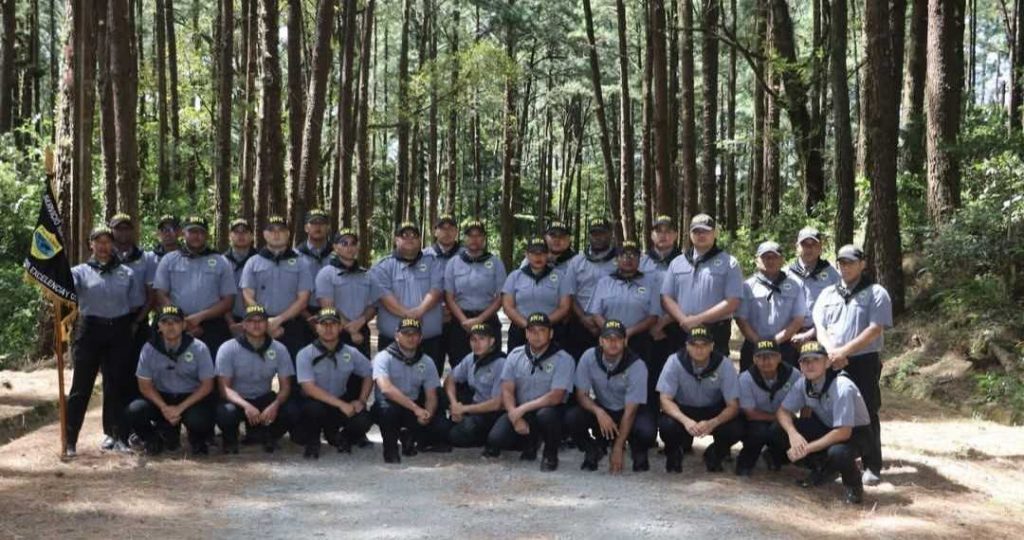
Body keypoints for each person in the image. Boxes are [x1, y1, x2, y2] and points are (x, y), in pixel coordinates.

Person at [812, 244, 893, 486]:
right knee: (829, 410)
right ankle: (832, 464)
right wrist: (831, 351)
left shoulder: (877, 293)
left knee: (867, 410)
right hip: (831, 358)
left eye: (850, 262)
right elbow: (820, 326)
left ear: (862, 264)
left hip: (863, 360)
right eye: (842, 263)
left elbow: (875, 329)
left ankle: (872, 465)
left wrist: (844, 352)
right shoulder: (828, 293)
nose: (845, 267)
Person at [65, 226, 142, 456]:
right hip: (90, 330)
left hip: (118, 330)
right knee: (81, 386)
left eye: (107, 241)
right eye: (98, 241)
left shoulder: (126, 273)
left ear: (113, 245)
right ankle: (70, 439)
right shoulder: (79, 272)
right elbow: (64, 291)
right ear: (91, 245)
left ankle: (116, 436)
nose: (103, 246)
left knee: (116, 385)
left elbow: (134, 304)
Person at [769, 341, 874, 504]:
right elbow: (782, 412)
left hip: (856, 433)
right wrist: (793, 434)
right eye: (805, 361)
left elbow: (843, 432)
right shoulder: (803, 383)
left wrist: (806, 448)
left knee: (839, 453)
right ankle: (821, 468)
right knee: (777, 429)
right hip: (827, 426)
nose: (810, 365)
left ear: (827, 363)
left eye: (816, 360)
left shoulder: (842, 386)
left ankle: (853, 484)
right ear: (800, 366)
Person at [486, 313, 575, 472]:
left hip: (550, 410)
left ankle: (550, 454)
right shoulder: (515, 355)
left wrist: (521, 409)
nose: (537, 335)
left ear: (551, 334)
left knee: (546, 415)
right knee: (496, 439)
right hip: (522, 410)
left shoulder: (564, 359)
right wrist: (514, 416)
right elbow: (507, 390)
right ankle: (530, 442)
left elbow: (556, 396)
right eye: (532, 331)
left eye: (542, 331)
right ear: (526, 334)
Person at [124, 305, 216, 456]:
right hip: (162, 398)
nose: (170, 326)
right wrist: (164, 407)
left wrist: (179, 408)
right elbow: (144, 386)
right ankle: (152, 439)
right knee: (135, 410)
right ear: (159, 326)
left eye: (175, 322)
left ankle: (197, 439)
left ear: (184, 325)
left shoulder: (198, 348)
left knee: (200, 419)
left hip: (190, 399)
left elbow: (207, 385)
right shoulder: (149, 349)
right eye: (165, 322)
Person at [566, 320, 655, 473]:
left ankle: (636, 448)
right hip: (603, 407)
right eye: (608, 339)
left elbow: (631, 411)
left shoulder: (637, 365)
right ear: (601, 341)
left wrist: (618, 447)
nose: (613, 343)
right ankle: (592, 448)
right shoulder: (589, 357)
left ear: (625, 341)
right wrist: (599, 412)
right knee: (572, 417)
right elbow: (581, 395)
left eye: (618, 339)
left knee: (647, 431)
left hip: (628, 410)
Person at [657, 325, 743, 473]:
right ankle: (674, 453)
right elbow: (665, 400)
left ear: (712, 346)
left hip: (713, 410)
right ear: (687, 346)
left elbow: (733, 405)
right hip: (684, 410)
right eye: (694, 345)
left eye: (704, 345)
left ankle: (715, 453)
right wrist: (686, 421)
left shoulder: (724, 364)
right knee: (667, 425)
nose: (699, 349)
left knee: (737, 427)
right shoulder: (674, 361)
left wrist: (713, 422)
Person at [587, 240, 661, 405]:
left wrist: (629, 332)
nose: (628, 259)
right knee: (608, 380)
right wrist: (612, 333)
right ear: (617, 259)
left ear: (639, 259)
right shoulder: (604, 282)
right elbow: (595, 313)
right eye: (624, 255)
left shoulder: (651, 283)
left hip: (639, 341)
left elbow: (653, 316)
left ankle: (639, 414)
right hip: (609, 341)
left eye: (633, 255)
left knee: (639, 382)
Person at [294, 308, 374, 459]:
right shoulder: (305, 354)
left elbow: (369, 373)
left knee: (364, 419)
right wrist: (341, 404)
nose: (328, 328)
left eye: (333, 324)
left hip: (339, 402)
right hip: (315, 404)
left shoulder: (350, 352)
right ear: (316, 327)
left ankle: (343, 437)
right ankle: (313, 442)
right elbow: (309, 388)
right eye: (324, 324)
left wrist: (362, 400)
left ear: (340, 327)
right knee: (310, 415)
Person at [214, 304, 294, 454]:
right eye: (251, 321)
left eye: (260, 321)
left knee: (290, 410)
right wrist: (246, 406)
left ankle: (268, 435)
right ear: (243, 325)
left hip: (264, 398)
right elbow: (224, 389)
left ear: (267, 324)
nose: (256, 325)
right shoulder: (228, 348)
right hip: (238, 400)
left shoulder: (279, 349)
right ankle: (230, 439)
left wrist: (275, 405)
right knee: (226, 412)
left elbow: (286, 387)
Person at [660, 213, 743, 357]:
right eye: (696, 231)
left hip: (715, 331)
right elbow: (666, 297)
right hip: (682, 330)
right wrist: (684, 320)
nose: (701, 235)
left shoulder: (729, 263)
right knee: (680, 368)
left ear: (714, 233)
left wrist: (698, 319)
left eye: (705, 231)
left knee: (715, 369)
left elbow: (733, 301)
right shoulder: (677, 262)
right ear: (690, 234)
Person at [153, 215, 236, 357]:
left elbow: (229, 300)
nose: (196, 236)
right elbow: (160, 294)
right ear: (183, 233)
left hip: (212, 325)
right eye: (192, 231)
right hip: (175, 324)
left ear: (207, 236)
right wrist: (182, 319)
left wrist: (200, 317)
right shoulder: (169, 260)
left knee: (212, 367)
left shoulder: (221, 261)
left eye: (201, 232)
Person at [371, 318, 451, 463]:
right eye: (406, 333)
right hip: (389, 406)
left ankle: (411, 438)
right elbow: (386, 389)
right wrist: (416, 409)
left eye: (415, 334)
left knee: (442, 426)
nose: (410, 337)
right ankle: (390, 450)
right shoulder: (383, 357)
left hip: (412, 408)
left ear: (420, 338)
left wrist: (427, 414)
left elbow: (431, 396)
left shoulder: (426, 361)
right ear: (397, 335)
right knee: (387, 410)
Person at [371, 222, 446, 375]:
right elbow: (386, 298)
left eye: (414, 235)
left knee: (430, 384)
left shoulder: (433, 263)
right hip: (392, 341)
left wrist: (419, 311)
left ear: (420, 240)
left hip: (429, 341)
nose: (409, 238)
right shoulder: (383, 266)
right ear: (396, 240)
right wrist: (410, 315)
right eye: (404, 235)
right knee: (391, 382)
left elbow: (436, 291)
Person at [239, 215, 315, 358]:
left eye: (281, 230)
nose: (276, 234)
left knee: (293, 369)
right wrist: (265, 322)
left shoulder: (300, 263)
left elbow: (303, 299)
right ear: (264, 234)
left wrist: (278, 320)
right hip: (258, 326)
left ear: (288, 234)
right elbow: (247, 296)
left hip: (292, 327)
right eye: (272, 230)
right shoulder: (253, 262)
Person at [735, 241, 807, 371]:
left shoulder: (795, 286)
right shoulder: (747, 287)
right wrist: (759, 342)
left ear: (782, 260)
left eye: (774, 257)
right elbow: (741, 319)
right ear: (757, 260)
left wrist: (775, 341)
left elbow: (798, 319)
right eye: (765, 257)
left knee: (788, 382)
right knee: (749, 382)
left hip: (785, 347)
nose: (770, 261)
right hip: (753, 346)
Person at [443, 219, 506, 366]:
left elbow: (501, 297)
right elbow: (449, 297)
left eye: (478, 235)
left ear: (484, 239)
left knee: (490, 365)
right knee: (459, 364)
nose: (474, 239)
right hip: (460, 323)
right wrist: (464, 320)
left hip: (487, 319)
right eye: (470, 235)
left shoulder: (495, 263)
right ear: (464, 238)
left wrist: (480, 319)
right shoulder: (453, 263)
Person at [735, 339, 799, 476]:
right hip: (756, 420)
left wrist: (802, 421)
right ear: (754, 359)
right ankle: (745, 463)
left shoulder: (794, 375)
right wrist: (781, 418)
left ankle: (775, 457)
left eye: (771, 356)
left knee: (783, 430)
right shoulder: (745, 378)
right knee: (759, 431)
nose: (766, 361)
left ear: (779, 358)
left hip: (781, 422)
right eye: (761, 357)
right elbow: (750, 414)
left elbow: (806, 402)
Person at [314, 228, 380, 358]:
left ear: (357, 247)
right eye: (344, 243)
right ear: (335, 247)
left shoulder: (367, 275)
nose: (349, 247)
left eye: (353, 243)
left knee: (363, 370)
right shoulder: (326, 274)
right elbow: (327, 306)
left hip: (362, 331)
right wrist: (351, 330)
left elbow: (373, 305)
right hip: (335, 332)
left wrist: (360, 322)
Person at [501, 238, 572, 351]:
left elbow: (565, 306)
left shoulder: (560, 277)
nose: (538, 257)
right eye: (534, 253)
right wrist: (527, 325)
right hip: (520, 331)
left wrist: (543, 325)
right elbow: (508, 306)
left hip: (552, 331)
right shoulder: (515, 276)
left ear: (548, 255)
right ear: (527, 255)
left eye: (542, 253)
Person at [444, 324, 507, 450]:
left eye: (482, 339)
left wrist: (464, 409)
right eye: (473, 339)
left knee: (456, 435)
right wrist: (454, 404)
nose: (477, 343)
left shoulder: (500, 363)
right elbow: (449, 380)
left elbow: (498, 403)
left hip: (492, 413)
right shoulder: (471, 358)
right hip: (473, 406)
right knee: (440, 394)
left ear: (492, 341)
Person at [564, 218, 619, 359]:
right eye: (594, 234)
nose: (598, 238)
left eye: (602, 233)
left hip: (613, 322)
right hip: (581, 322)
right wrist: (583, 318)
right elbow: (569, 294)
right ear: (589, 235)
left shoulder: (620, 260)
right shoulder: (577, 261)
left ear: (610, 234)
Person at [640, 215, 684, 382]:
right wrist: (651, 325)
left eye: (668, 231)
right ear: (652, 235)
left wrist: (662, 323)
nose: (663, 235)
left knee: (672, 378)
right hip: (645, 328)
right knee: (646, 377)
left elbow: (687, 296)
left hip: (675, 328)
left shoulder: (685, 262)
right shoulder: (641, 262)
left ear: (675, 235)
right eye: (659, 231)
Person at [109, 213, 158, 360]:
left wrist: (137, 322)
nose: (123, 232)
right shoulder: (104, 257)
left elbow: (151, 296)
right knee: (112, 365)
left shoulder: (146, 258)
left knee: (139, 364)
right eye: (119, 229)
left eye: (126, 228)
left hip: (138, 317)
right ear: (111, 231)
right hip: (111, 319)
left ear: (132, 230)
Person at [788, 227, 840, 346]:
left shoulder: (832, 275)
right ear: (797, 247)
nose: (809, 248)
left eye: (813, 244)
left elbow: (837, 311)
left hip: (823, 335)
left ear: (820, 247)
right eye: (804, 244)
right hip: (791, 336)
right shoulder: (786, 274)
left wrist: (810, 334)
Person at [425, 214, 463, 370]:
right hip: (432, 319)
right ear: (435, 232)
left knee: (461, 365)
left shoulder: (467, 256)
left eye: (451, 228)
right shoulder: (424, 256)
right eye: (442, 228)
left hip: (460, 318)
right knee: (432, 365)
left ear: (456, 232)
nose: (447, 232)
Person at [296, 208, 334, 341]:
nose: (318, 227)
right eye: (313, 223)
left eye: (321, 223)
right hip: (301, 315)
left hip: (333, 315)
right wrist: (307, 316)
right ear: (306, 228)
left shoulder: (337, 256)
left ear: (327, 228)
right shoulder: (295, 256)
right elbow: (289, 289)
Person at [223, 218, 258, 330]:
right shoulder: (221, 262)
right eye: (236, 232)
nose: (240, 235)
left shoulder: (261, 260)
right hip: (225, 321)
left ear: (252, 236)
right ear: (230, 236)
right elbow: (216, 295)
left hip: (257, 320)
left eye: (245, 232)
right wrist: (230, 322)